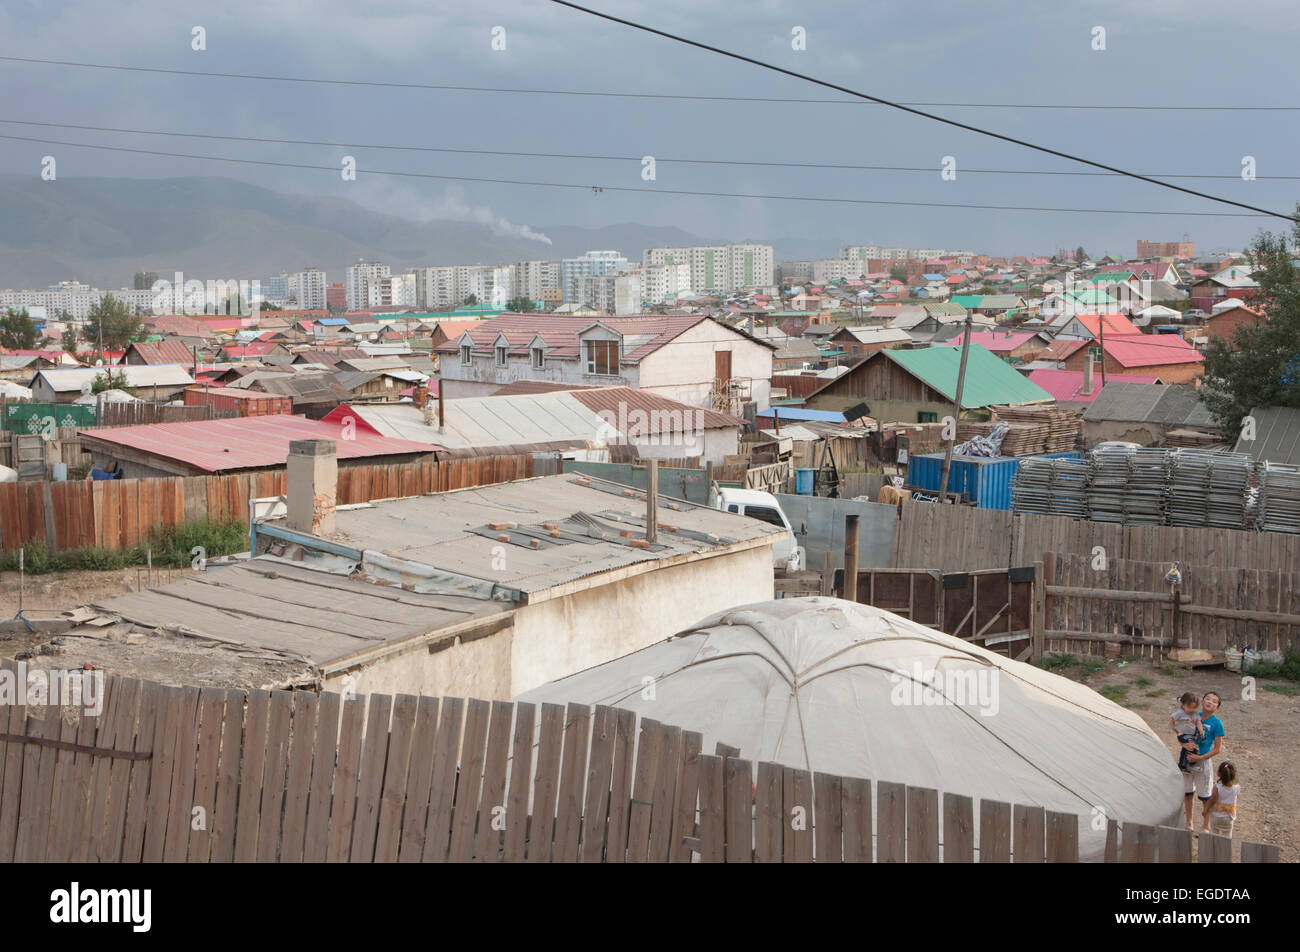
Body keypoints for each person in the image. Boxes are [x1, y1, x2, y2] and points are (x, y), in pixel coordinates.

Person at [1182, 691, 1225, 833]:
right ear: (1202, 701)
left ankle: (1205, 826)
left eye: (1214, 701)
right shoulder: (1193, 716)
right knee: (1188, 793)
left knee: (1205, 796)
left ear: (1217, 707)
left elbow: (1217, 749)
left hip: (1203, 761)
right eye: (1207, 698)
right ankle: (1189, 823)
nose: (1209, 702)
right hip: (1187, 758)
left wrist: (1200, 758)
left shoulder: (1217, 724)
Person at [1170, 692, 1204, 773]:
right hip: (1183, 735)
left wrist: (1201, 730)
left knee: (1187, 750)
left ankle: (1183, 766)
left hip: (1191, 735)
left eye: (1194, 707)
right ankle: (1191, 765)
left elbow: (1198, 722)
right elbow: (1172, 718)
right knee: (1192, 746)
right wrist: (1175, 730)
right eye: (1189, 707)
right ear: (1183, 705)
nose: (1192, 710)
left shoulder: (1195, 714)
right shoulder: (1180, 713)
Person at [1206, 762, 1240, 839]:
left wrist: (1206, 810)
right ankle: (1225, 850)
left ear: (1219, 774)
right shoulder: (1237, 788)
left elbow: (1212, 800)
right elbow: (1237, 797)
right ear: (1234, 774)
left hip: (1216, 816)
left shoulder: (1217, 787)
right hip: (1229, 817)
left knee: (1214, 834)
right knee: (1227, 836)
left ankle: (1214, 849)